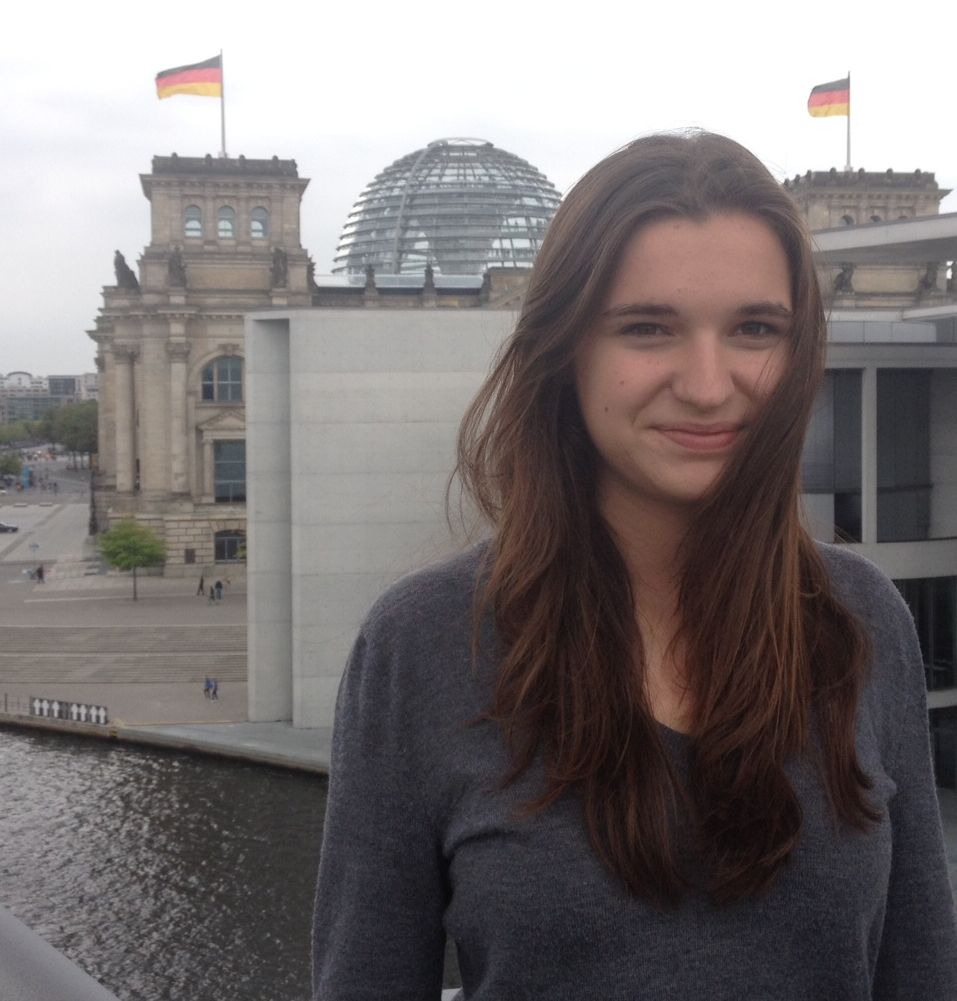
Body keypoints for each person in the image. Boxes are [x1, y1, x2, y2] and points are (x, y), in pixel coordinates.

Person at [311, 132, 957, 999]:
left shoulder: (862, 618)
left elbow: (919, 971)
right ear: (564, 348)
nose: (704, 382)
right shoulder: (423, 643)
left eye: (754, 328)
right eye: (647, 328)